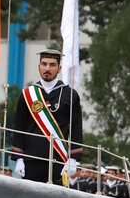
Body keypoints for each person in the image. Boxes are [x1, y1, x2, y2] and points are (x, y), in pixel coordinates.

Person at [11, 49, 83, 184]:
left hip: (59, 160)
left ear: (59, 68)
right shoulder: (27, 94)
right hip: (31, 159)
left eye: (52, 65)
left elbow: (76, 128)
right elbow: (19, 127)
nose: (47, 68)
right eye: (44, 64)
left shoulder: (70, 94)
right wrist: (18, 158)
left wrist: (73, 159)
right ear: (39, 66)